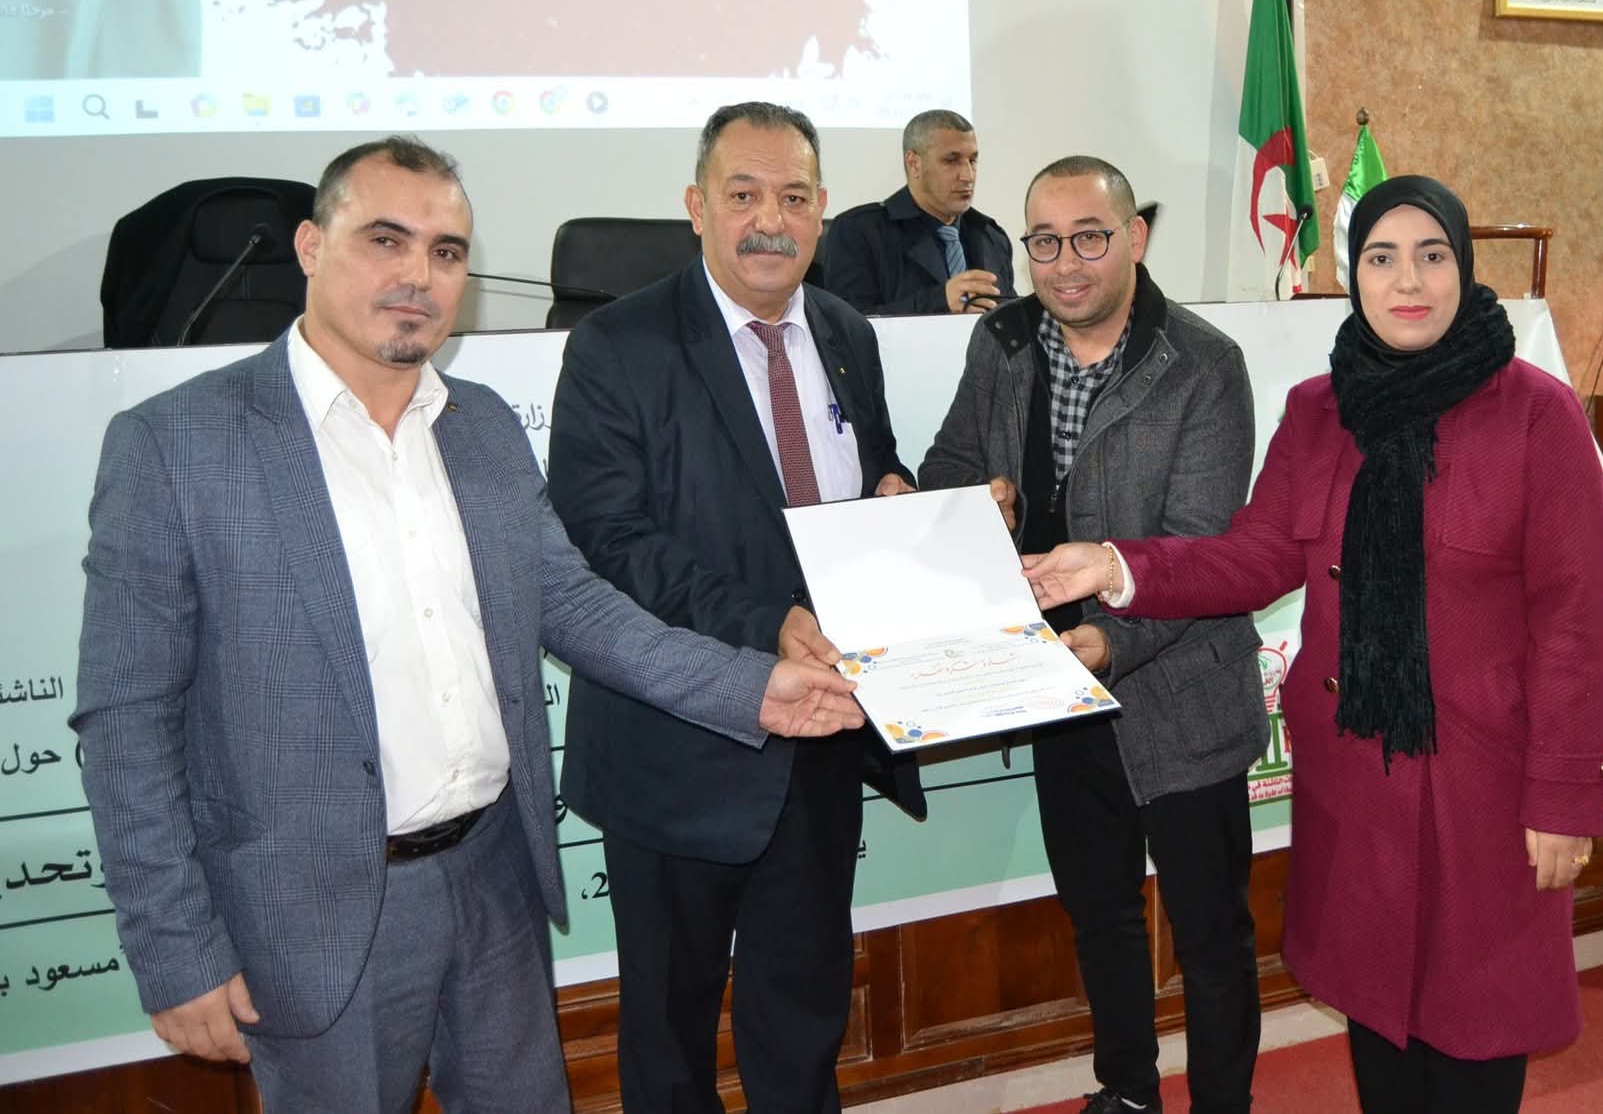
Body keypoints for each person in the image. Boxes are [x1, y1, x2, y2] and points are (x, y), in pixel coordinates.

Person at [71, 136, 866, 1114]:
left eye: (446, 251)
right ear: (311, 247)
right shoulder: (175, 444)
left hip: (495, 880)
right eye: (386, 240)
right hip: (319, 913)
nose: (418, 275)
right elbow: (126, 721)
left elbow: (576, 607)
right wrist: (174, 947)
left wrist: (753, 689)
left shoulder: (481, 425)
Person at [1023, 176, 1603, 1113]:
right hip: (1359, 786)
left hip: (1487, 795)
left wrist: (1565, 794)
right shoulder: (1319, 409)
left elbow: (1574, 623)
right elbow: (1255, 554)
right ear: (1355, 276)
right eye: (1381, 258)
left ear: (1465, 267)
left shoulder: (1537, 412)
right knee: (1379, 1028)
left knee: (1477, 1031)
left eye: (1431, 255)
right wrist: (1116, 566)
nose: (1407, 280)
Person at [546, 102, 924, 1113]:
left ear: (822, 209)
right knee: (670, 1039)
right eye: (743, 193)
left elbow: (867, 471)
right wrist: (764, 623)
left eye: (793, 196)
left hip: (821, 739)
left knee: (802, 1016)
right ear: (696, 206)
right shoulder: (616, 345)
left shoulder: (845, 331)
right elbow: (606, 542)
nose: (770, 219)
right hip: (676, 746)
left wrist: (898, 499)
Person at [921, 156, 1265, 1114]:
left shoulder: (1203, 363)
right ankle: (1128, 1091)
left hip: (1181, 692)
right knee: (1100, 913)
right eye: (1044, 241)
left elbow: (1199, 549)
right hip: (1057, 686)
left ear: (1135, 238)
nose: (1065, 263)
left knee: (1211, 936)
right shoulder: (1002, 342)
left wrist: (1111, 642)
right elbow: (950, 460)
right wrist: (975, 498)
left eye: (1089, 237)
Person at [822, 108, 1015, 314]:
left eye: (972, 161)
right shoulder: (859, 231)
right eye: (951, 161)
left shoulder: (992, 237)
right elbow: (846, 323)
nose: (968, 176)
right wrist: (939, 301)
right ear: (914, 164)